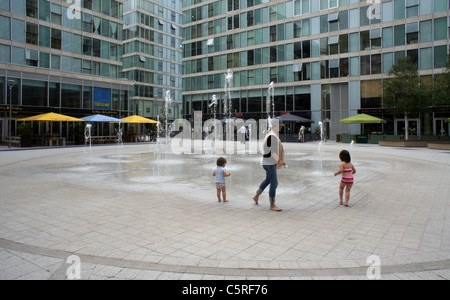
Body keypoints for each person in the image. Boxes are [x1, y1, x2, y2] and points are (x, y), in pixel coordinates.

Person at [252, 118, 285, 211]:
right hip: (269, 163)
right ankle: (272, 204)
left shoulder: (273, 135)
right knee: (274, 183)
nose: (281, 127)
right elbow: (272, 151)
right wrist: (279, 160)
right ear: (275, 126)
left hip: (269, 162)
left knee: (268, 180)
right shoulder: (272, 136)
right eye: (280, 126)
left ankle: (256, 196)